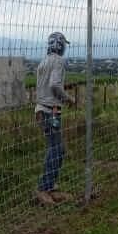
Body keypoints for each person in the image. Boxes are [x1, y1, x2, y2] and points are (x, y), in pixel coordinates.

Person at [34, 31, 72, 207]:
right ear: (60, 45)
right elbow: (55, 84)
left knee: (57, 148)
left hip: (44, 109)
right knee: (56, 149)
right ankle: (44, 188)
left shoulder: (43, 62)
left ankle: (50, 186)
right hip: (51, 111)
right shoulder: (59, 61)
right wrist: (69, 99)